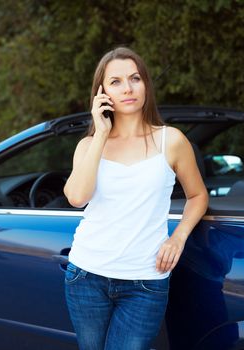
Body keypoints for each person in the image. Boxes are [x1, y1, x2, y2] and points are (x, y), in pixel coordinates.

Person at [63, 46, 209, 350]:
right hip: (86, 276)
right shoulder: (89, 144)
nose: (128, 88)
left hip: (145, 281)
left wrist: (177, 238)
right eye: (116, 82)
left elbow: (197, 195)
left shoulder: (172, 140)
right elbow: (77, 197)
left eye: (135, 78)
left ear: (146, 85)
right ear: (102, 93)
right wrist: (101, 133)